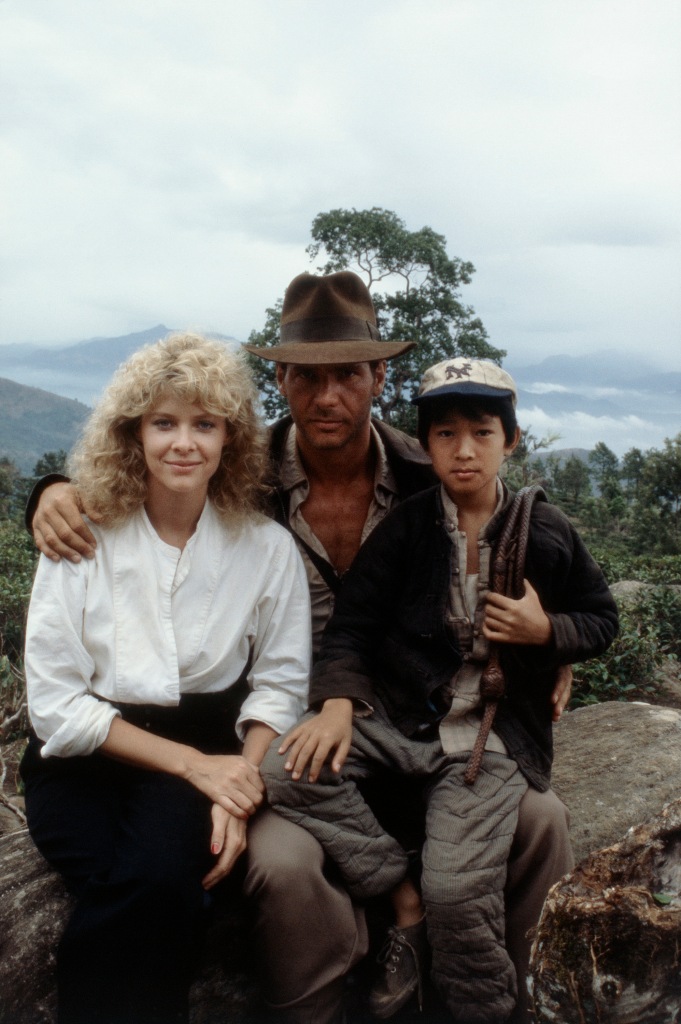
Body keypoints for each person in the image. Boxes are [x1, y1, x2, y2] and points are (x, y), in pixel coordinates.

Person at [28, 271, 574, 1024]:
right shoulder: (241, 482)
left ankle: (518, 1003)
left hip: (427, 727)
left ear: (377, 377)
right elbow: (150, 480)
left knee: (539, 820)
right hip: (298, 746)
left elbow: (526, 540)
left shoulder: (432, 473)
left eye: (347, 376)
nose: (327, 397)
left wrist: (555, 643)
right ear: (279, 379)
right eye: (307, 377)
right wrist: (53, 491)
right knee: (278, 866)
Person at [262, 357, 619, 1023]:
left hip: (484, 739)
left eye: (482, 434)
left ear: (509, 440)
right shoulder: (408, 527)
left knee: (457, 893)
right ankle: (397, 892)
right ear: (423, 445)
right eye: (446, 435)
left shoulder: (544, 530)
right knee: (282, 769)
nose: (464, 451)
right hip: (402, 723)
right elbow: (354, 626)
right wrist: (338, 703)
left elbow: (601, 618)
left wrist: (547, 632)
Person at [20, 333, 311, 1024]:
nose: (184, 443)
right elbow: (58, 706)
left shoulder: (266, 549)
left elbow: (280, 683)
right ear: (134, 435)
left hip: (206, 748)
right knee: (152, 889)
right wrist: (200, 771)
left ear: (231, 439)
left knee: (159, 878)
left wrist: (235, 787)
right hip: (83, 758)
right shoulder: (80, 536)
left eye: (203, 424)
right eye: (164, 423)